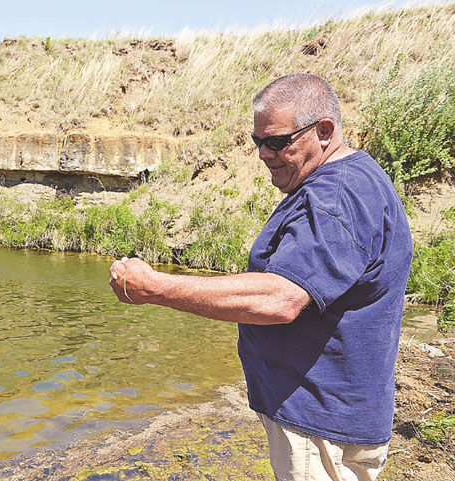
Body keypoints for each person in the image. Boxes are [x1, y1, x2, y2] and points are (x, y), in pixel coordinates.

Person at [108, 73, 413, 481]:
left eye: (276, 142)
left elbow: (282, 298)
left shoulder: (336, 196)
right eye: (257, 142)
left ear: (324, 132)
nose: (263, 154)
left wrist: (158, 288)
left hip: (320, 424)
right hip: (332, 415)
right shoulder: (350, 179)